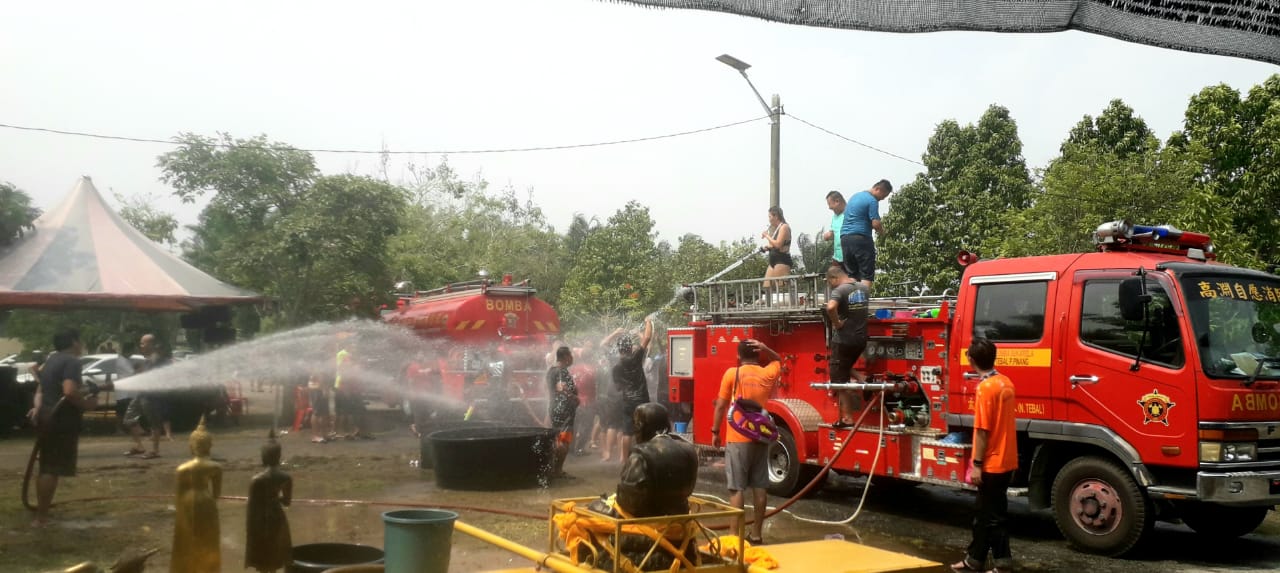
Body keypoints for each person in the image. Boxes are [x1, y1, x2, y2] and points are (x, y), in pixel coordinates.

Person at [952, 338, 1018, 573]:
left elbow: (982, 431)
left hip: (992, 463)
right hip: (1008, 459)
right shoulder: (1005, 382)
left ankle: (1002, 564)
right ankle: (975, 560)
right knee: (985, 514)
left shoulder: (985, 388)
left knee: (991, 517)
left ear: (971, 359)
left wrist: (977, 464)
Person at [712, 339, 781, 545]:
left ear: (738, 356)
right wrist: (767, 347)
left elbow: (721, 406)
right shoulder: (767, 373)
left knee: (737, 488)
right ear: (758, 355)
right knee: (760, 487)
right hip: (759, 437)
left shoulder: (732, 374)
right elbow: (779, 360)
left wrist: (715, 431)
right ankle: (757, 534)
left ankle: (734, 536)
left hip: (737, 437)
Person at [30, 328, 94, 527]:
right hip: (61, 421)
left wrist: (37, 407)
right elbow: (68, 391)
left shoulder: (51, 360)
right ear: (74, 342)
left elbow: (43, 388)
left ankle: (42, 513)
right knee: (51, 468)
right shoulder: (72, 361)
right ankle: (41, 518)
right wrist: (87, 405)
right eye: (80, 341)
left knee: (48, 466)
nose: (82, 345)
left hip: (48, 419)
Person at [616, 403, 698, 517]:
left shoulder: (640, 454)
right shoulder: (689, 449)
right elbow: (689, 490)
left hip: (647, 520)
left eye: (636, 425)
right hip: (679, 517)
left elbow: (628, 501)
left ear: (641, 426)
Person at [824, 264, 869, 427]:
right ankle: (862, 378)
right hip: (860, 339)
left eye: (830, 283)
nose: (831, 286)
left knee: (839, 381)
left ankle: (847, 418)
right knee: (843, 365)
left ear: (834, 278)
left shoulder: (840, 291)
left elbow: (830, 307)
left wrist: (836, 323)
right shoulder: (863, 288)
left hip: (843, 340)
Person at [609, 318, 654, 464]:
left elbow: (617, 387)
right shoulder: (635, 358)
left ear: (619, 349)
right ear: (629, 348)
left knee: (627, 431)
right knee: (643, 428)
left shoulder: (616, 367)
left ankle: (623, 459)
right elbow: (647, 338)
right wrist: (648, 321)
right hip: (641, 399)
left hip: (627, 401)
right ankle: (642, 456)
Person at [840, 179, 893, 289]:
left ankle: (851, 303)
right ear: (877, 189)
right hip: (861, 239)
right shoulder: (872, 200)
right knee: (866, 274)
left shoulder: (855, 197)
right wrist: (884, 233)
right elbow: (876, 224)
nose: (882, 199)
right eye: (883, 195)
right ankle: (862, 303)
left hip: (845, 239)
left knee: (852, 274)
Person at [546, 346, 579, 478]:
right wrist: (575, 397)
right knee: (564, 440)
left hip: (555, 407)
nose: (572, 358)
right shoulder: (562, 372)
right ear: (565, 357)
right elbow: (562, 387)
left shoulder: (551, 371)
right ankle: (557, 471)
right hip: (564, 410)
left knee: (558, 438)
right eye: (570, 355)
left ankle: (553, 468)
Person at [760, 206, 792, 296]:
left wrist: (767, 236)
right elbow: (773, 245)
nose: (769, 220)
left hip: (782, 260)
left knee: (781, 289)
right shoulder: (776, 229)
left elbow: (778, 244)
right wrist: (767, 247)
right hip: (773, 261)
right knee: (767, 287)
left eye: (770, 217)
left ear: (776, 216)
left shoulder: (784, 227)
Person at [306, 372, 331, 443]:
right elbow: (310, 385)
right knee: (316, 414)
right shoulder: (313, 374)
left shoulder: (323, 372)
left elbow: (324, 383)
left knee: (324, 415)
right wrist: (320, 387)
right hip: (317, 396)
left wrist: (325, 389)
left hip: (322, 396)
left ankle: (324, 435)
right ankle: (315, 436)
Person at [823, 191, 846, 267]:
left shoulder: (851, 213)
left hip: (850, 256)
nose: (829, 208)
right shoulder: (835, 217)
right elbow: (833, 233)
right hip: (837, 257)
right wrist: (829, 235)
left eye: (830, 205)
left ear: (837, 201)